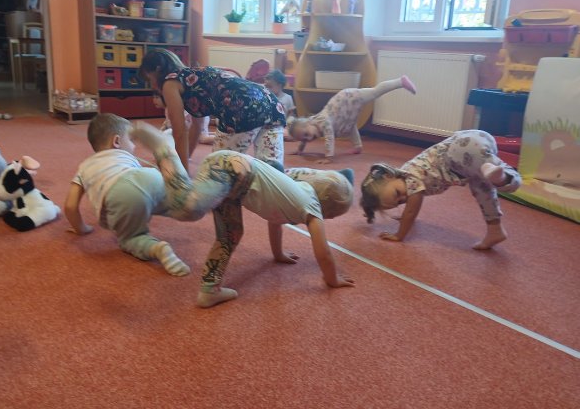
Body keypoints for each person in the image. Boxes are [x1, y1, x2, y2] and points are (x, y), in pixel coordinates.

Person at [130, 121, 356, 308]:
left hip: (236, 181)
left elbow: (275, 222)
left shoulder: (299, 195)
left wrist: (278, 254)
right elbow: (324, 253)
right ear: (328, 209)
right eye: (332, 216)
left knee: (231, 233)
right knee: (189, 208)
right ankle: (164, 147)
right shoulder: (312, 208)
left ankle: (210, 290)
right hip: (235, 170)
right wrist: (332, 279)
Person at [63, 113, 190, 276]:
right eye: (131, 140)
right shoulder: (125, 158)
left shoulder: (84, 167)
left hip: (120, 195)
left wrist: (81, 228)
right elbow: (138, 182)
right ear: (116, 141)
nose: (134, 146)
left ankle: (157, 248)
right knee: (180, 201)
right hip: (149, 176)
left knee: (130, 238)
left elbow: (70, 206)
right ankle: (199, 199)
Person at [359, 129, 522, 250]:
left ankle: (500, 176)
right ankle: (495, 229)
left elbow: (411, 211)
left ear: (389, 176)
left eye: (398, 193)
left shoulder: (410, 178)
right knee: (483, 188)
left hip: (459, 151)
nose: (405, 197)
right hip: (476, 138)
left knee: (499, 181)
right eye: (399, 202)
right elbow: (408, 206)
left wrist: (399, 235)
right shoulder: (409, 171)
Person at [138, 48, 286, 171]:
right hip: (270, 102)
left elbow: (179, 132)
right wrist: (185, 160)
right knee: (273, 172)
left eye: (149, 79)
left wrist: (180, 175)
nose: (152, 85)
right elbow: (197, 127)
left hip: (241, 108)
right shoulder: (193, 76)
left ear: (157, 69)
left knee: (217, 173)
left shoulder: (170, 83)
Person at [286, 76, 417, 164]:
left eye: (306, 135)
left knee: (374, 92)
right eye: (305, 139)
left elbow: (329, 138)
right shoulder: (308, 126)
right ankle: (358, 147)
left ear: (308, 122)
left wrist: (328, 157)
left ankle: (400, 81)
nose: (308, 139)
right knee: (351, 125)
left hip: (349, 97)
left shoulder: (323, 122)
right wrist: (300, 150)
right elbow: (302, 136)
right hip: (344, 113)